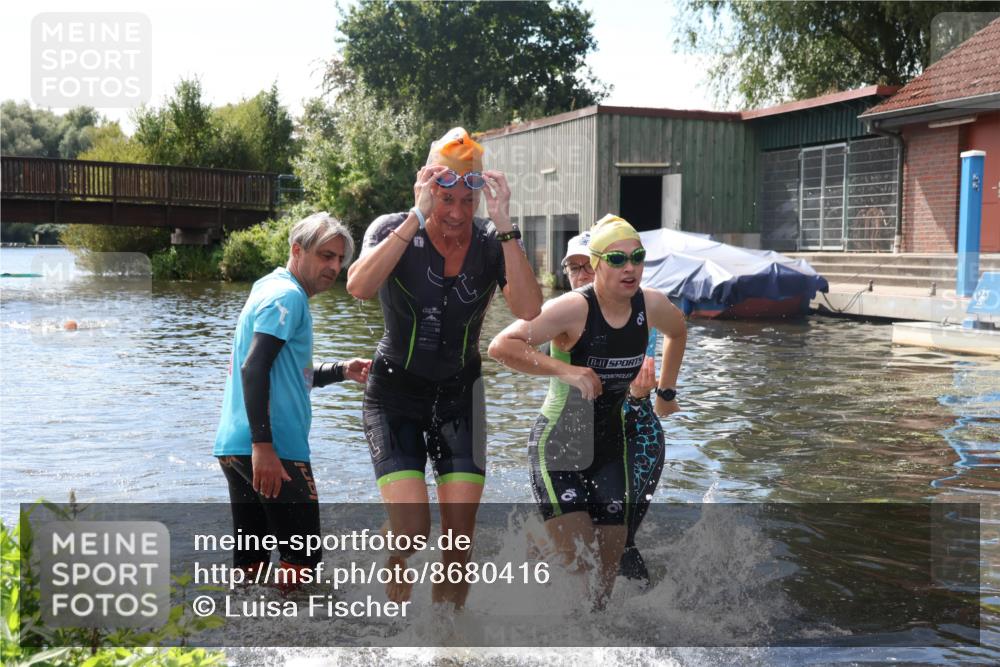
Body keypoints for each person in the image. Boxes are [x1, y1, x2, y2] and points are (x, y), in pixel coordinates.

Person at [346, 127, 542, 608]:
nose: (455, 214)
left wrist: (504, 223)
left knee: (459, 542)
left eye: (466, 202)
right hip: (394, 395)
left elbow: (530, 309)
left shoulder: (491, 241)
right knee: (413, 531)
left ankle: (446, 647)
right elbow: (358, 286)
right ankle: (394, 566)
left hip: (461, 397)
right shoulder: (391, 226)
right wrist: (416, 216)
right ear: (427, 188)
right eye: (444, 199)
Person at [489, 214, 686, 608]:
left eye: (637, 257)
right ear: (595, 263)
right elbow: (501, 346)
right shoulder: (572, 308)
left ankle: (592, 631)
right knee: (580, 569)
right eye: (616, 259)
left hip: (609, 450)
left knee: (603, 584)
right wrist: (567, 369)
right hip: (559, 445)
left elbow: (678, 331)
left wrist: (665, 391)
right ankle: (543, 537)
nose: (629, 268)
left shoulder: (651, 304)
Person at [214, 212, 371, 589]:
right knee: (302, 564)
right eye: (325, 256)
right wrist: (264, 446)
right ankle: (296, 643)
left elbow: (283, 373)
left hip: (235, 447)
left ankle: (245, 637)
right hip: (275, 451)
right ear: (297, 250)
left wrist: (340, 370)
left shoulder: (268, 287)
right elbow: (254, 368)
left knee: (251, 561)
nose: (334, 266)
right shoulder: (288, 297)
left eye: (339, 259)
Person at [559, 231, 665, 587]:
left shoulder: (635, 307)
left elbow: (658, 349)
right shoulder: (564, 316)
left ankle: (636, 607)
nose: (581, 275)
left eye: (587, 266)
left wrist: (660, 392)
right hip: (581, 436)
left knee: (621, 540)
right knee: (578, 534)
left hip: (634, 431)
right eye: (573, 268)